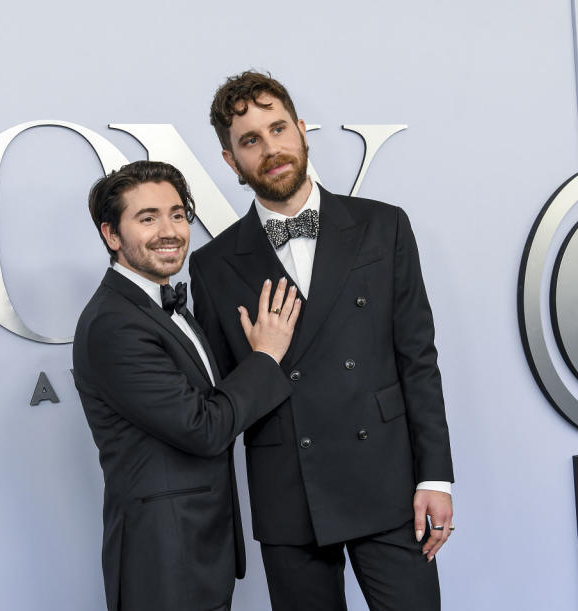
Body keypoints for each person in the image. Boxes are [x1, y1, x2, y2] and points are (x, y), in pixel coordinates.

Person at [189, 71, 455, 611]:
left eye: (278, 128)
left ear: (303, 130)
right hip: (290, 492)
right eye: (250, 141)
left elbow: (418, 360)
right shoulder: (212, 266)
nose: (271, 149)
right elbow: (224, 401)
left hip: (388, 481)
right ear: (230, 160)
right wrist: (264, 358)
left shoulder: (384, 227)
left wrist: (436, 477)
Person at [73, 160, 301, 611]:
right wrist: (266, 356)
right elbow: (203, 428)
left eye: (178, 214)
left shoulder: (160, 307)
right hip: (162, 558)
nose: (169, 230)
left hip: (194, 548)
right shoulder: (114, 325)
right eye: (148, 217)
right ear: (111, 235)